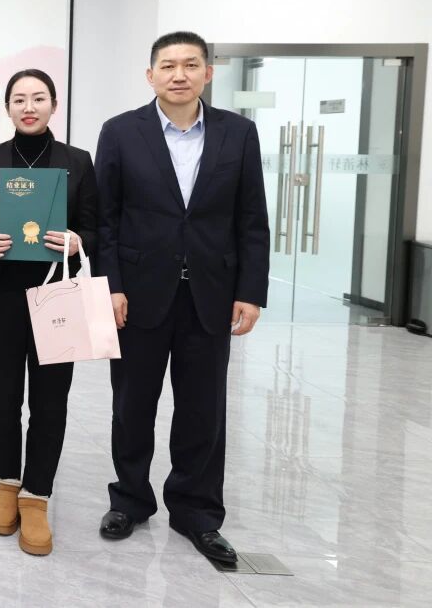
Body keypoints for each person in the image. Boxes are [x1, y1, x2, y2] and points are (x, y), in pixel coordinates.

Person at [95, 31, 269, 563]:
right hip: (139, 294)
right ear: (150, 76)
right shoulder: (121, 132)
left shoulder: (239, 133)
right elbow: (105, 220)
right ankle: (130, 499)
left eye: (190, 65)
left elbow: (252, 219)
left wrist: (251, 291)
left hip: (211, 295)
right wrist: (111, 285)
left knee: (203, 409)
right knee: (132, 405)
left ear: (208, 73)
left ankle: (197, 512)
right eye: (167, 66)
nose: (179, 74)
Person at [0, 69, 97, 555]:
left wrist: (78, 240)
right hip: (0, 293)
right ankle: (7, 482)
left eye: (39, 98)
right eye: (19, 99)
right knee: (2, 394)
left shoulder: (77, 162)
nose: (29, 107)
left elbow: (95, 226)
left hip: (56, 293)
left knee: (50, 398)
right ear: (7, 108)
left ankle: (37, 495)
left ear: (54, 105)